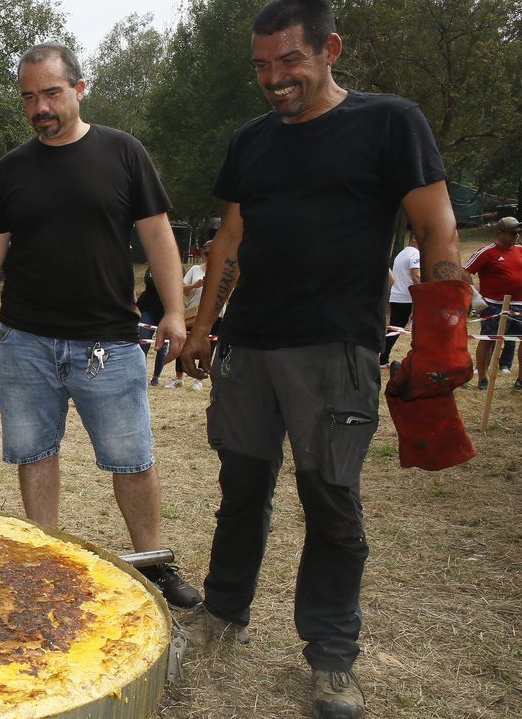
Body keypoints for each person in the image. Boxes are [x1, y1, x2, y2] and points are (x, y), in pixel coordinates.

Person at [176, 3, 471, 717]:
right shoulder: (251, 141)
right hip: (249, 346)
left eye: (289, 62)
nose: (274, 78)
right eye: (262, 66)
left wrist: (441, 334)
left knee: (331, 501)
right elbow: (230, 240)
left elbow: (437, 225)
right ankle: (222, 613)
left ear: (330, 48)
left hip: (337, 346)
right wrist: (202, 328)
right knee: (241, 488)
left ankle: (332, 658)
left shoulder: (390, 122)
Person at [0, 42, 201, 609]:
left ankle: (153, 563)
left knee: (132, 460)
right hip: (24, 343)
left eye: (51, 93)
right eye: (29, 97)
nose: (40, 106)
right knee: (35, 455)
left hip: (108, 344)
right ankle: (45, 556)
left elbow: (158, 236)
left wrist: (175, 311)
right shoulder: (12, 168)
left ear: (80, 89)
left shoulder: (123, 152)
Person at [463, 216, 522, 389]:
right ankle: (483, 377)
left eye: (518, 232)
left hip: (519, 305)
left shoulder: (520, 250)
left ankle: (520, 380)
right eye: (512, 233)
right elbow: (464, 271)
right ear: (500, 233)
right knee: (488, 340)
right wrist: (474, 295)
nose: (516, 236)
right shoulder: (487, 252)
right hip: (494, 304)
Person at [164, 240, 211, 390]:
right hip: (192, 313)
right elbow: (181, 289)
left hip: (214, 316)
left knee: (208, 346)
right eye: (206, 252)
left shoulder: (221, 271)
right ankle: (178, 377)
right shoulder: (195, 269)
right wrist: (194, 285)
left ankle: (200, 379)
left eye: (211, 252)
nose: (208, 255)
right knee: (183, 343)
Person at [381, 230, 421, 369]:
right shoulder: (415, 254)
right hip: (408, 298)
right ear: (415, 238)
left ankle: (383, 357)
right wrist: (422, 295)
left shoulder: (401, 254)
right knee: (412, 328)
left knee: (395, 329)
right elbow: (416, 276)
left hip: (397, 296)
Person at [135, 268, 171, 386]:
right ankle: (142, 375)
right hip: (148, 309)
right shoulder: (151, 267)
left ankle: (156, 377)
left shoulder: (176, 267)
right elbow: (149, 282)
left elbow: (170, 285)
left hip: (165, 311)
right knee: (143, 344)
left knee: (162, 347)